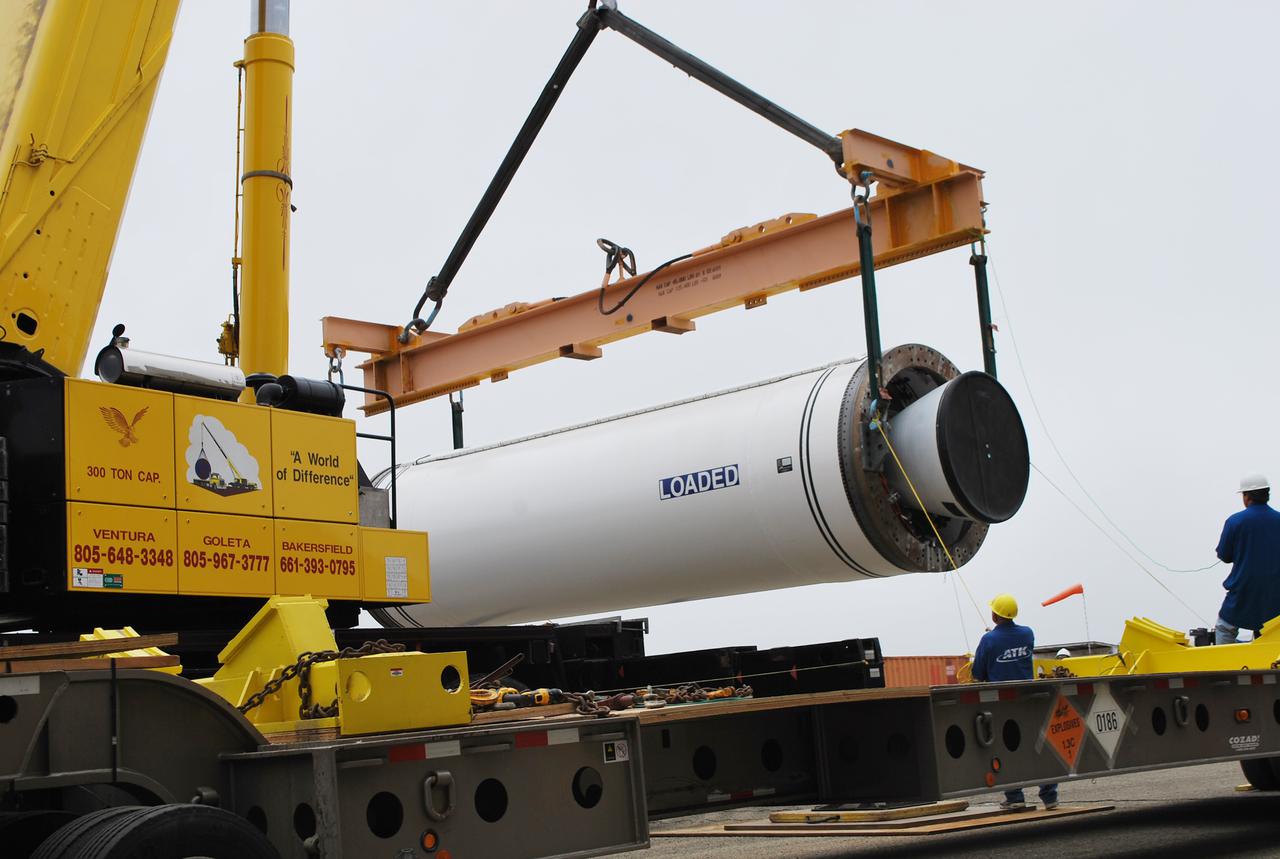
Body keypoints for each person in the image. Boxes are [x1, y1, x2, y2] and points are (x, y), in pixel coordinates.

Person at [971, 593, 1059, 811]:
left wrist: (989, 643)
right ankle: (1050, 797)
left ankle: (1015, 797)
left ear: (995, 615)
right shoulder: (1027, 633)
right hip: (1029, 700)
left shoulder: (989, 640)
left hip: (1002, 703)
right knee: (1038, 747)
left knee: (1006, 749)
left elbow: (978, 673)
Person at [1213, 474, 1280, 644]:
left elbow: (1225, 556)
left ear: (1246, 496)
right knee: (1271, 633)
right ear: (1267, 494)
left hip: (1244, 589)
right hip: (1276, 593)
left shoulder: (1235, 521)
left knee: (1225, 628)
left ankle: (1226, 660)